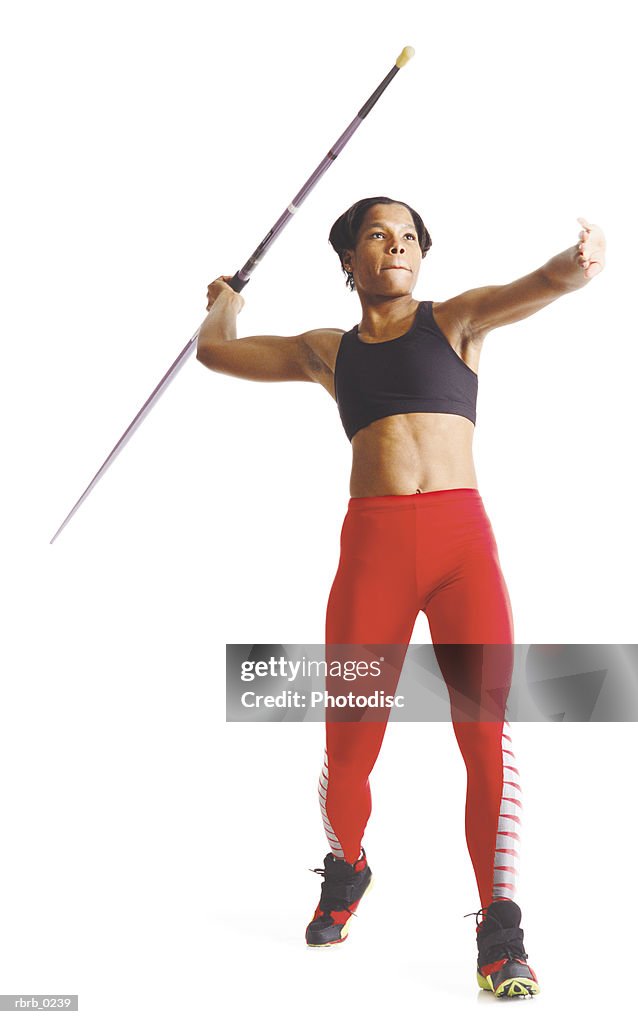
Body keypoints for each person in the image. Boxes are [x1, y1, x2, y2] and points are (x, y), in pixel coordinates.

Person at [196, 197, 606, 998]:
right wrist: (225, 303)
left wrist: (578, 261)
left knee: (486, 733)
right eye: (378, 236)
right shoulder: (328, 352)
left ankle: (502, 928)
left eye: (410, 236)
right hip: (373, 552)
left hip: (462, 551)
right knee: (349, 745)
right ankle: (348, 868)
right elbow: (215, 356)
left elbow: (543, 282)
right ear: (348, 259)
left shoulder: (456, 322)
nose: (397, 246)